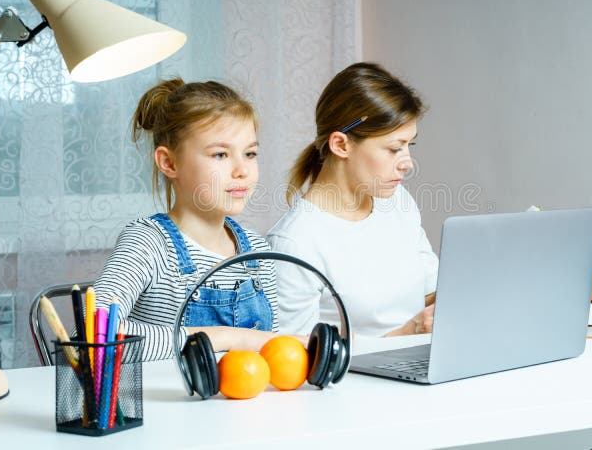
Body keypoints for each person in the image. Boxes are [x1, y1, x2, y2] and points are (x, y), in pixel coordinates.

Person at [94, 78, 280, 361]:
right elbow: (94, 331)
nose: (242, 169)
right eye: (220, 154)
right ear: (169, 163)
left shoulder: (257, 251)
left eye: (250, 153)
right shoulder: (149, 243)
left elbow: (270, 351)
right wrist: (228, 338)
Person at [267, 62, 438, 338]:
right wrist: (409, 331)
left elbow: (430, 295)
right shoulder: (295, 243)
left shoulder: (398, 203)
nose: (407, 163)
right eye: (394, 148)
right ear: (341, 145)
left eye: (410, 145)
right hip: (356, 381)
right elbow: (295, 364)